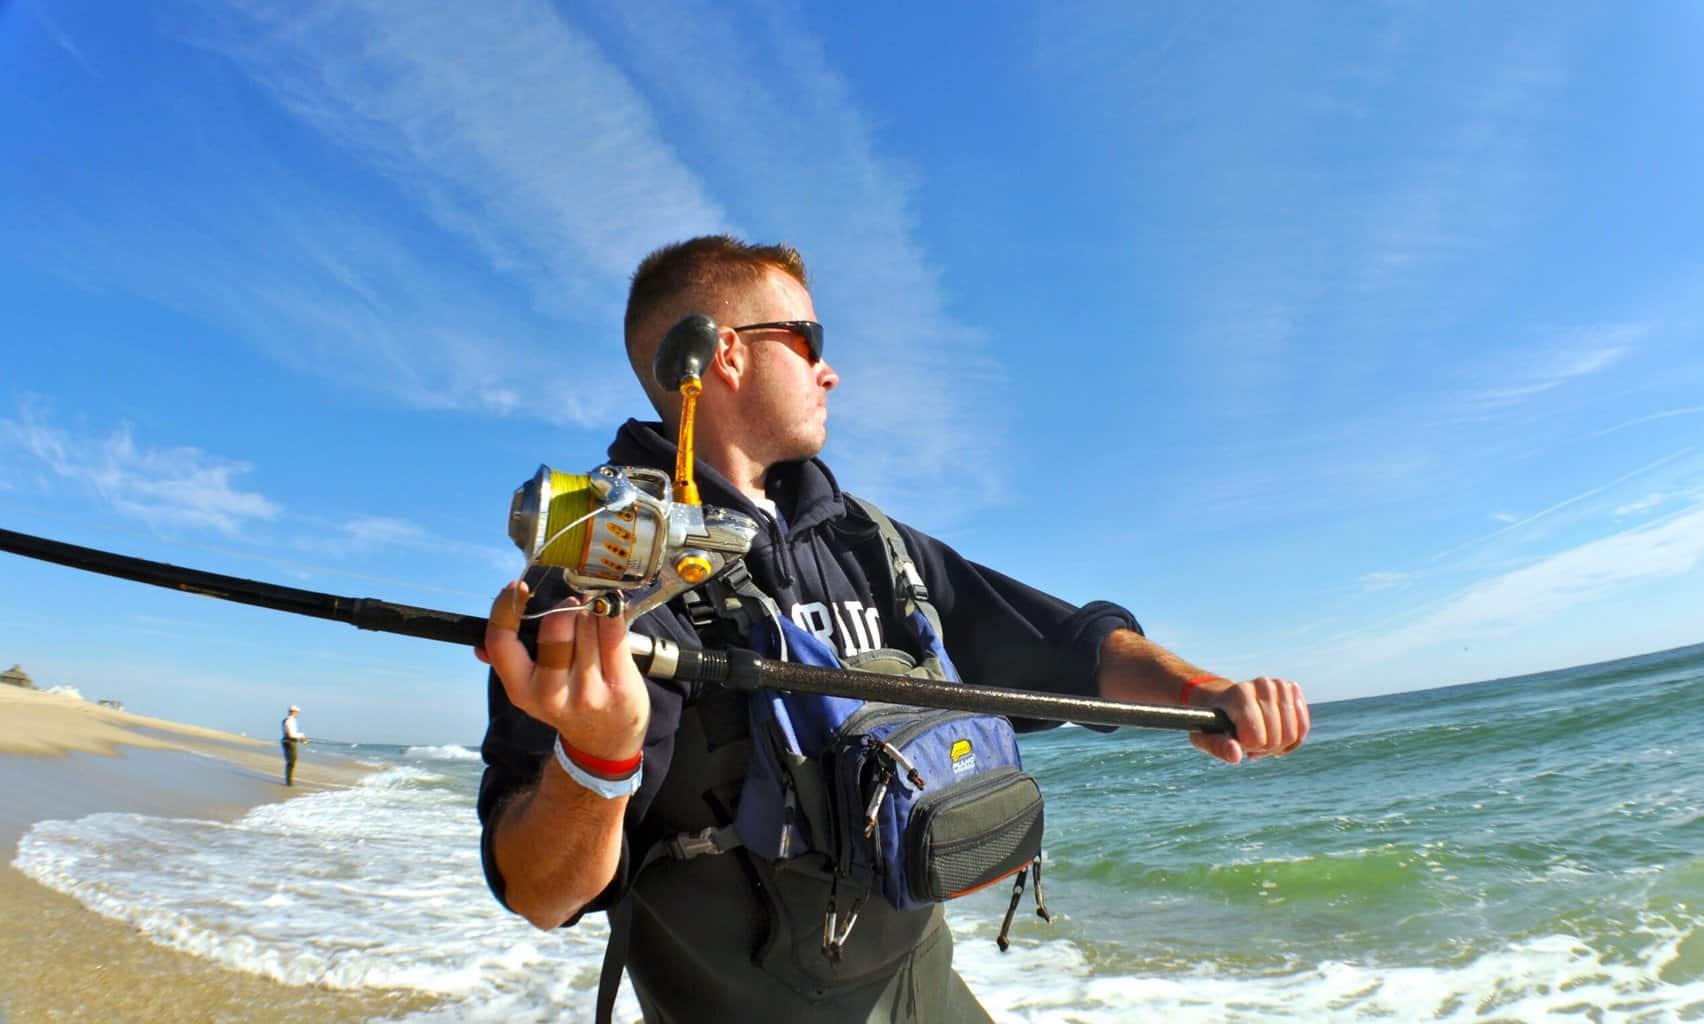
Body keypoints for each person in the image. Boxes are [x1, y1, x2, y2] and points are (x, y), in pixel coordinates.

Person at [477, 236, 1311, 1023]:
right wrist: (595, 761)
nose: (830, 371)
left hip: (926, 985)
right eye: (808, 338)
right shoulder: (601, 578)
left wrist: (1200, 691)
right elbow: (539, 894)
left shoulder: (871, 540)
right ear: (721, 353)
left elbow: (1070, 647)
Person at [281, 705, 307, 786]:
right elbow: (291, 734)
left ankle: (289, 781)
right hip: (290, 742)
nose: (298, 714)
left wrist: (300, 737)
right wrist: (302, 736)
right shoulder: (290, 721)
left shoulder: (287, 720)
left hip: (287, 741)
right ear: (293, 712)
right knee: (291, 762)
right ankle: (289, 782)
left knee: (291, 762)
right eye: (297, 712)